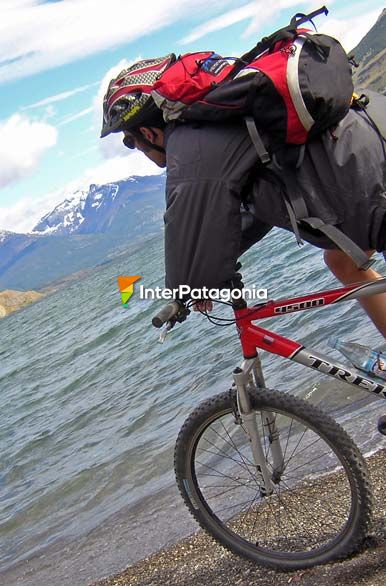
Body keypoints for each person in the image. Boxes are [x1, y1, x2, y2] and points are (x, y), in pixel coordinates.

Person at [100, 57, 386, 338]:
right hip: (372, 137)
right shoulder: (226, 119)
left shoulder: (191, 145)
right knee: (341, 261)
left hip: (372, 185)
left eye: (130, 141)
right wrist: (204, 276)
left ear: (148, 132)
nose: (134, 147)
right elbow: (248, 209)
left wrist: (185, 288)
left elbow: (186, 219)